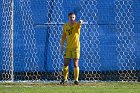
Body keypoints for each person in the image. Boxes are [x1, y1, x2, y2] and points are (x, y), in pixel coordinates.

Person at [60, 12, 83, 85]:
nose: (72, 19)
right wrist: (61, 45)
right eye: (71, 17)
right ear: (68, 18)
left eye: (73, 17)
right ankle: (65, 79)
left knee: (75, 64)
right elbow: (63, 36)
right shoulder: (65, 26)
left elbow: (80, 23)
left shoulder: (76, 25)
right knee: (66, 63)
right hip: (68, 47)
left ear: (75, 18)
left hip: (76, 47)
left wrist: (80, 22)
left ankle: (76, 80)